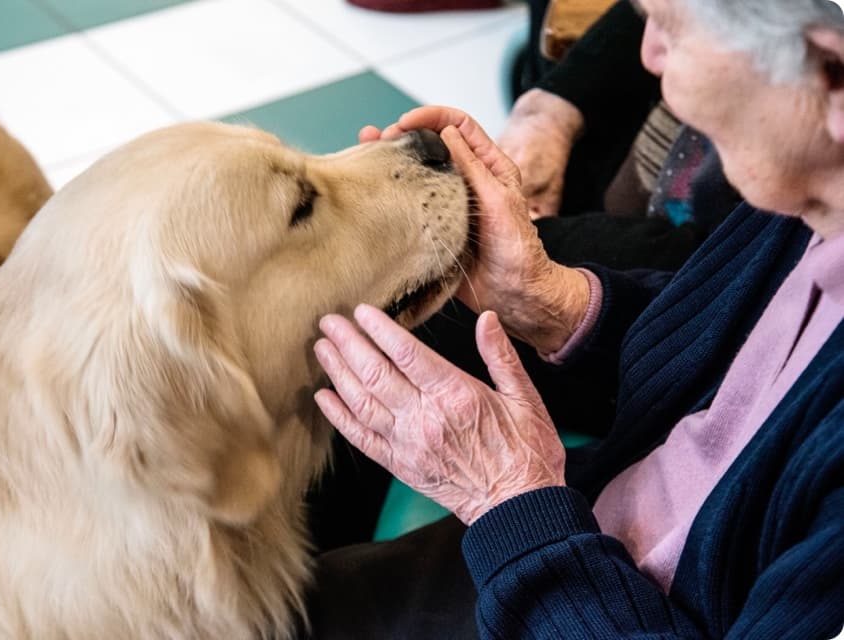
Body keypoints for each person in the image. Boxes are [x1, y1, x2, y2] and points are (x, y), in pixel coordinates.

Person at [305, 0, 844, 637]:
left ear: (832, 77)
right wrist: (548, 300)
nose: (647, 55)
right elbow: (736, 371)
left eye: (672, 30)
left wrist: (510, 500)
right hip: (581, 533)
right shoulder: (809, 197)